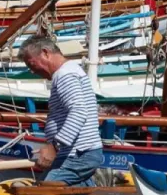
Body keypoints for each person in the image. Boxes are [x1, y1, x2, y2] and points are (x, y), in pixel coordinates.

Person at [18, 36, 103, 186]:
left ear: (45, 53)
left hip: (79, 154)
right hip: (77, 153)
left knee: (44, 189)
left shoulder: (65, 75)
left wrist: (54, 147)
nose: (32, 71)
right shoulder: (70, 70)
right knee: (52, 184)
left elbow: (78, 111)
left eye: (31, 64)